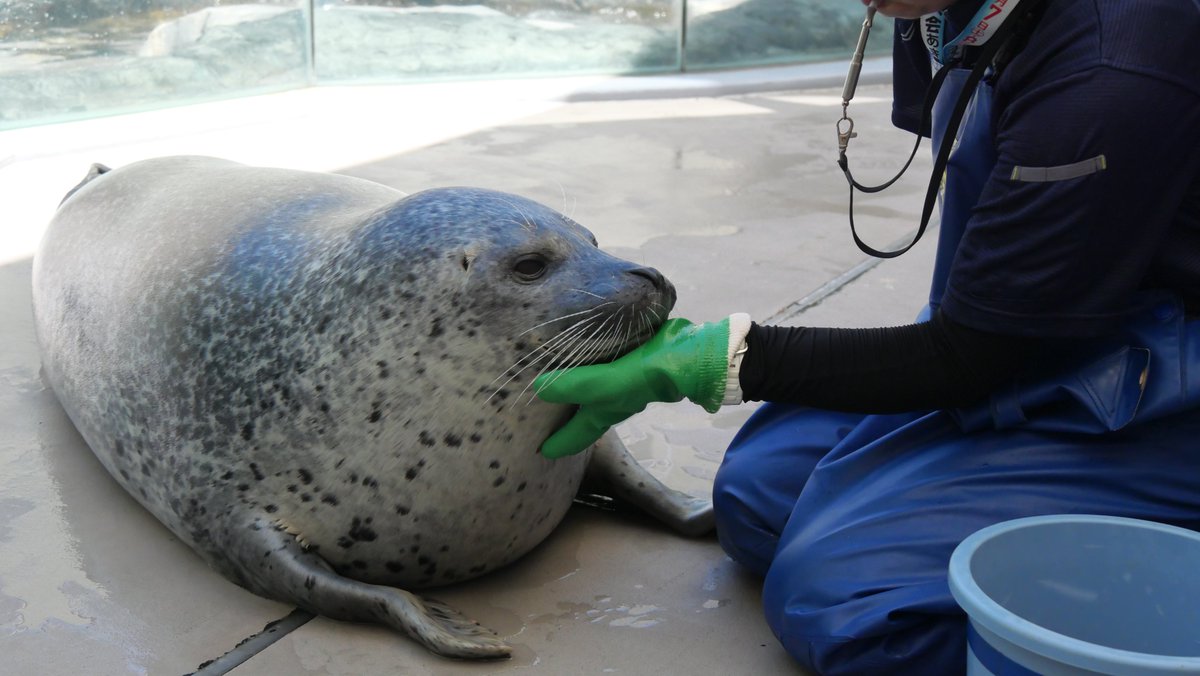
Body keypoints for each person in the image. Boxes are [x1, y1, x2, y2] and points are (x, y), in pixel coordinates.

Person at [534, 0, 1200, 673]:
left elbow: (972, 355)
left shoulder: (1109, 71)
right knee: (756, 498)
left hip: (1158, 394)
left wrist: (717, 361)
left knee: (841, 602)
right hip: (1037, 328)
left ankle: (1141, 596)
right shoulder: (933, 9)